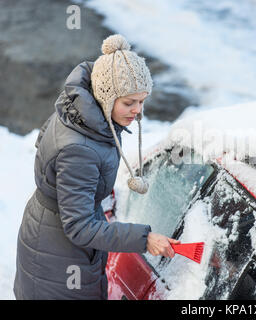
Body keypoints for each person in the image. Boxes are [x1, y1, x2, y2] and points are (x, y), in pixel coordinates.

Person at [13, 34, 179, 300]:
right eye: (129, 102)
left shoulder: (79, 111)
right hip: (58, 258)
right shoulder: (80, 148)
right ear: (105, 96)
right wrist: (144, 239)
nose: (138, 110)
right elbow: (79, 226)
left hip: (50, 234)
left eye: (142, 101)